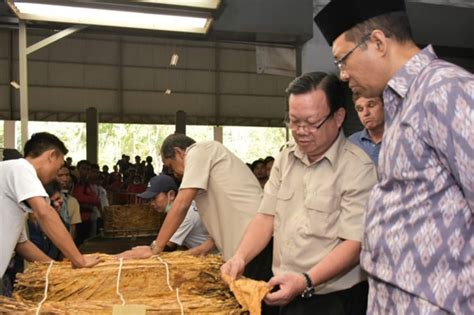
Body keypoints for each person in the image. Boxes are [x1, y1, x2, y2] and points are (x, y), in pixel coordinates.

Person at [314, 0, 473, 314]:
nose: (343, 75)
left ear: (377, 42)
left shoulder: (446, 91)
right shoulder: (402, 104)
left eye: (343, 60)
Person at [221, 72, 377, 315]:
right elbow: (266, 216)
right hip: (283, 290)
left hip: (332, 300)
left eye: (312, 123)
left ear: (338, 117)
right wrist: (240, 257)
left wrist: (305, 281)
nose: (301, 131)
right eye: (294, 121)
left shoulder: (358, 169)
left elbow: (355, 243)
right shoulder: (286, 158)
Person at [120, 134, 274, 282]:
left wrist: (154, 249)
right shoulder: (207, 171)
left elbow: (182, 203)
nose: (174, 174)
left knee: (258, 302)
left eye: (171, 167)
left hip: (256, 242)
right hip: (246, 247)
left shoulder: (199, 150)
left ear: (179, 152)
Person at [0, 132, 100, 279]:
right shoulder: (20, 168)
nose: (56, 175)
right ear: (51, 155)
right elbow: (44, 212)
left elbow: (22, 245)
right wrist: (80, 260)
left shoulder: (11, 178)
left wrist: (56, 269)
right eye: (59, 166)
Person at [118, 175, 215, 257]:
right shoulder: (184, 208)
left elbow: (166, 247)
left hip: (214, 257)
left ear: (171, 195)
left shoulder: (184, 214)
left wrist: (143, 252)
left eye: (154, 198)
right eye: (150, 200)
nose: (152, 203)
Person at [348, 95, 384, 165]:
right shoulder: (351, 143)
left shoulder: (401, 140)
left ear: (385, 105)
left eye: (371, 105)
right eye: (360, 109)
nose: (365, 113)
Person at [56, 165, 82, 239]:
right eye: (60, 175)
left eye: (67, 175)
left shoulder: (72, 202)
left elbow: (72, 230)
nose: (65, 179)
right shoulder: (42, 199)